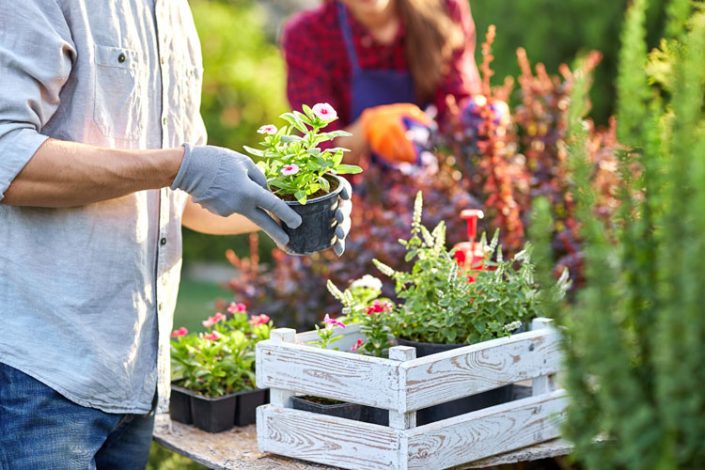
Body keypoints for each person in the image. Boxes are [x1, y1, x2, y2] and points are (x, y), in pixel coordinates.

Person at [0, 1, 349, 468]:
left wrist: (288, 211)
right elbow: (7, 156)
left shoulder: (172, 12)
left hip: (135, 378)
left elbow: (179, 200)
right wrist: (179, 166)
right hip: (41, 378)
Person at [282, 0, 481, 167]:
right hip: (359, 197)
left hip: (434, 176)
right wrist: (367, 128)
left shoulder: (444, 9)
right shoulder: (307, 36)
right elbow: (319, 152)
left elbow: (457, 105)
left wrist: (481, 117)